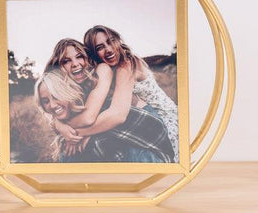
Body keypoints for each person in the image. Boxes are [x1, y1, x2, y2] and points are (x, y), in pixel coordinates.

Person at [41, 39, 174, 163]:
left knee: (74, 149)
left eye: (79, 56)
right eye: (66, 61)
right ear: (58, 67)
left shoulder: (101, 70)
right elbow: (59, 113)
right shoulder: (67, 89)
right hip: (113, 128)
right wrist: (60, 125)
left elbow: (89, 118)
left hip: (139, 121)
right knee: (74, 152)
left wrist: (73, 134)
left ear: (86, 57)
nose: (75, 64)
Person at [83, 25, 179, 162]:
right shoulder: (107, 72)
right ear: (94, 54)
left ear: (118, 40)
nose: (108, 49)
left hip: (165, 121)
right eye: (100, 47)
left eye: (111, 41)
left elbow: (117, 114)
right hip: (145, 120)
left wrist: (80, 134)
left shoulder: (126, 64)